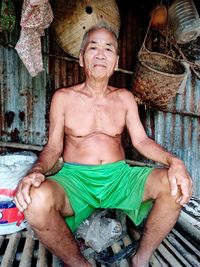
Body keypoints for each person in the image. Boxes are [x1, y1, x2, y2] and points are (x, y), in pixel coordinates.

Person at [14, 22, 193, 267]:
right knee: (35, 200)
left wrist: (175, 161)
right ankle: (80, 264)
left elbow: (141, 140)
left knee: (174, 187)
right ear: (81, 58)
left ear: (116, 61)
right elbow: (54, 148)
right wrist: (35, 172)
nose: (100, 54)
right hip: (75, 181)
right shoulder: (63, 99)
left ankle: (140, 259)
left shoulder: (124, 98)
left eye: (108, 48)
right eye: (93, 47)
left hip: (119, 178)